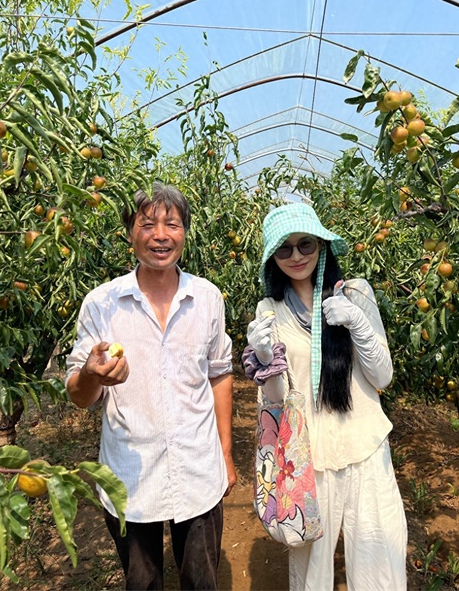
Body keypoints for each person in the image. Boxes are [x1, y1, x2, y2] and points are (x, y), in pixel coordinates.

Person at [66, 182, 236, 591]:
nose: (161, 235)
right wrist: (91, 375)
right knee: (141, 582)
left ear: (184, 233)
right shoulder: (102, 303)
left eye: (172, 224)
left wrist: (226, 455)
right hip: (131, 477)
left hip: (197, 471)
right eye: (147, 224)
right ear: (130, 234)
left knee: (201, 581)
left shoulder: (207, 298)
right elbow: (78, 395)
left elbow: (219, 373)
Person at [244, 202, 407, 591]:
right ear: (272, 258)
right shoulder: (270, 310)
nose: (296, 256)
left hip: (366, 446)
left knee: (380, 563)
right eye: (284, 248)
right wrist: (265, 361)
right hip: (308, 458)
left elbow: (382, 376)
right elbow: (277, 401)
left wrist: (357, 323)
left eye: (306, 244)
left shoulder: (355, 292)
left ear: (321, 245)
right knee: (311, 573)